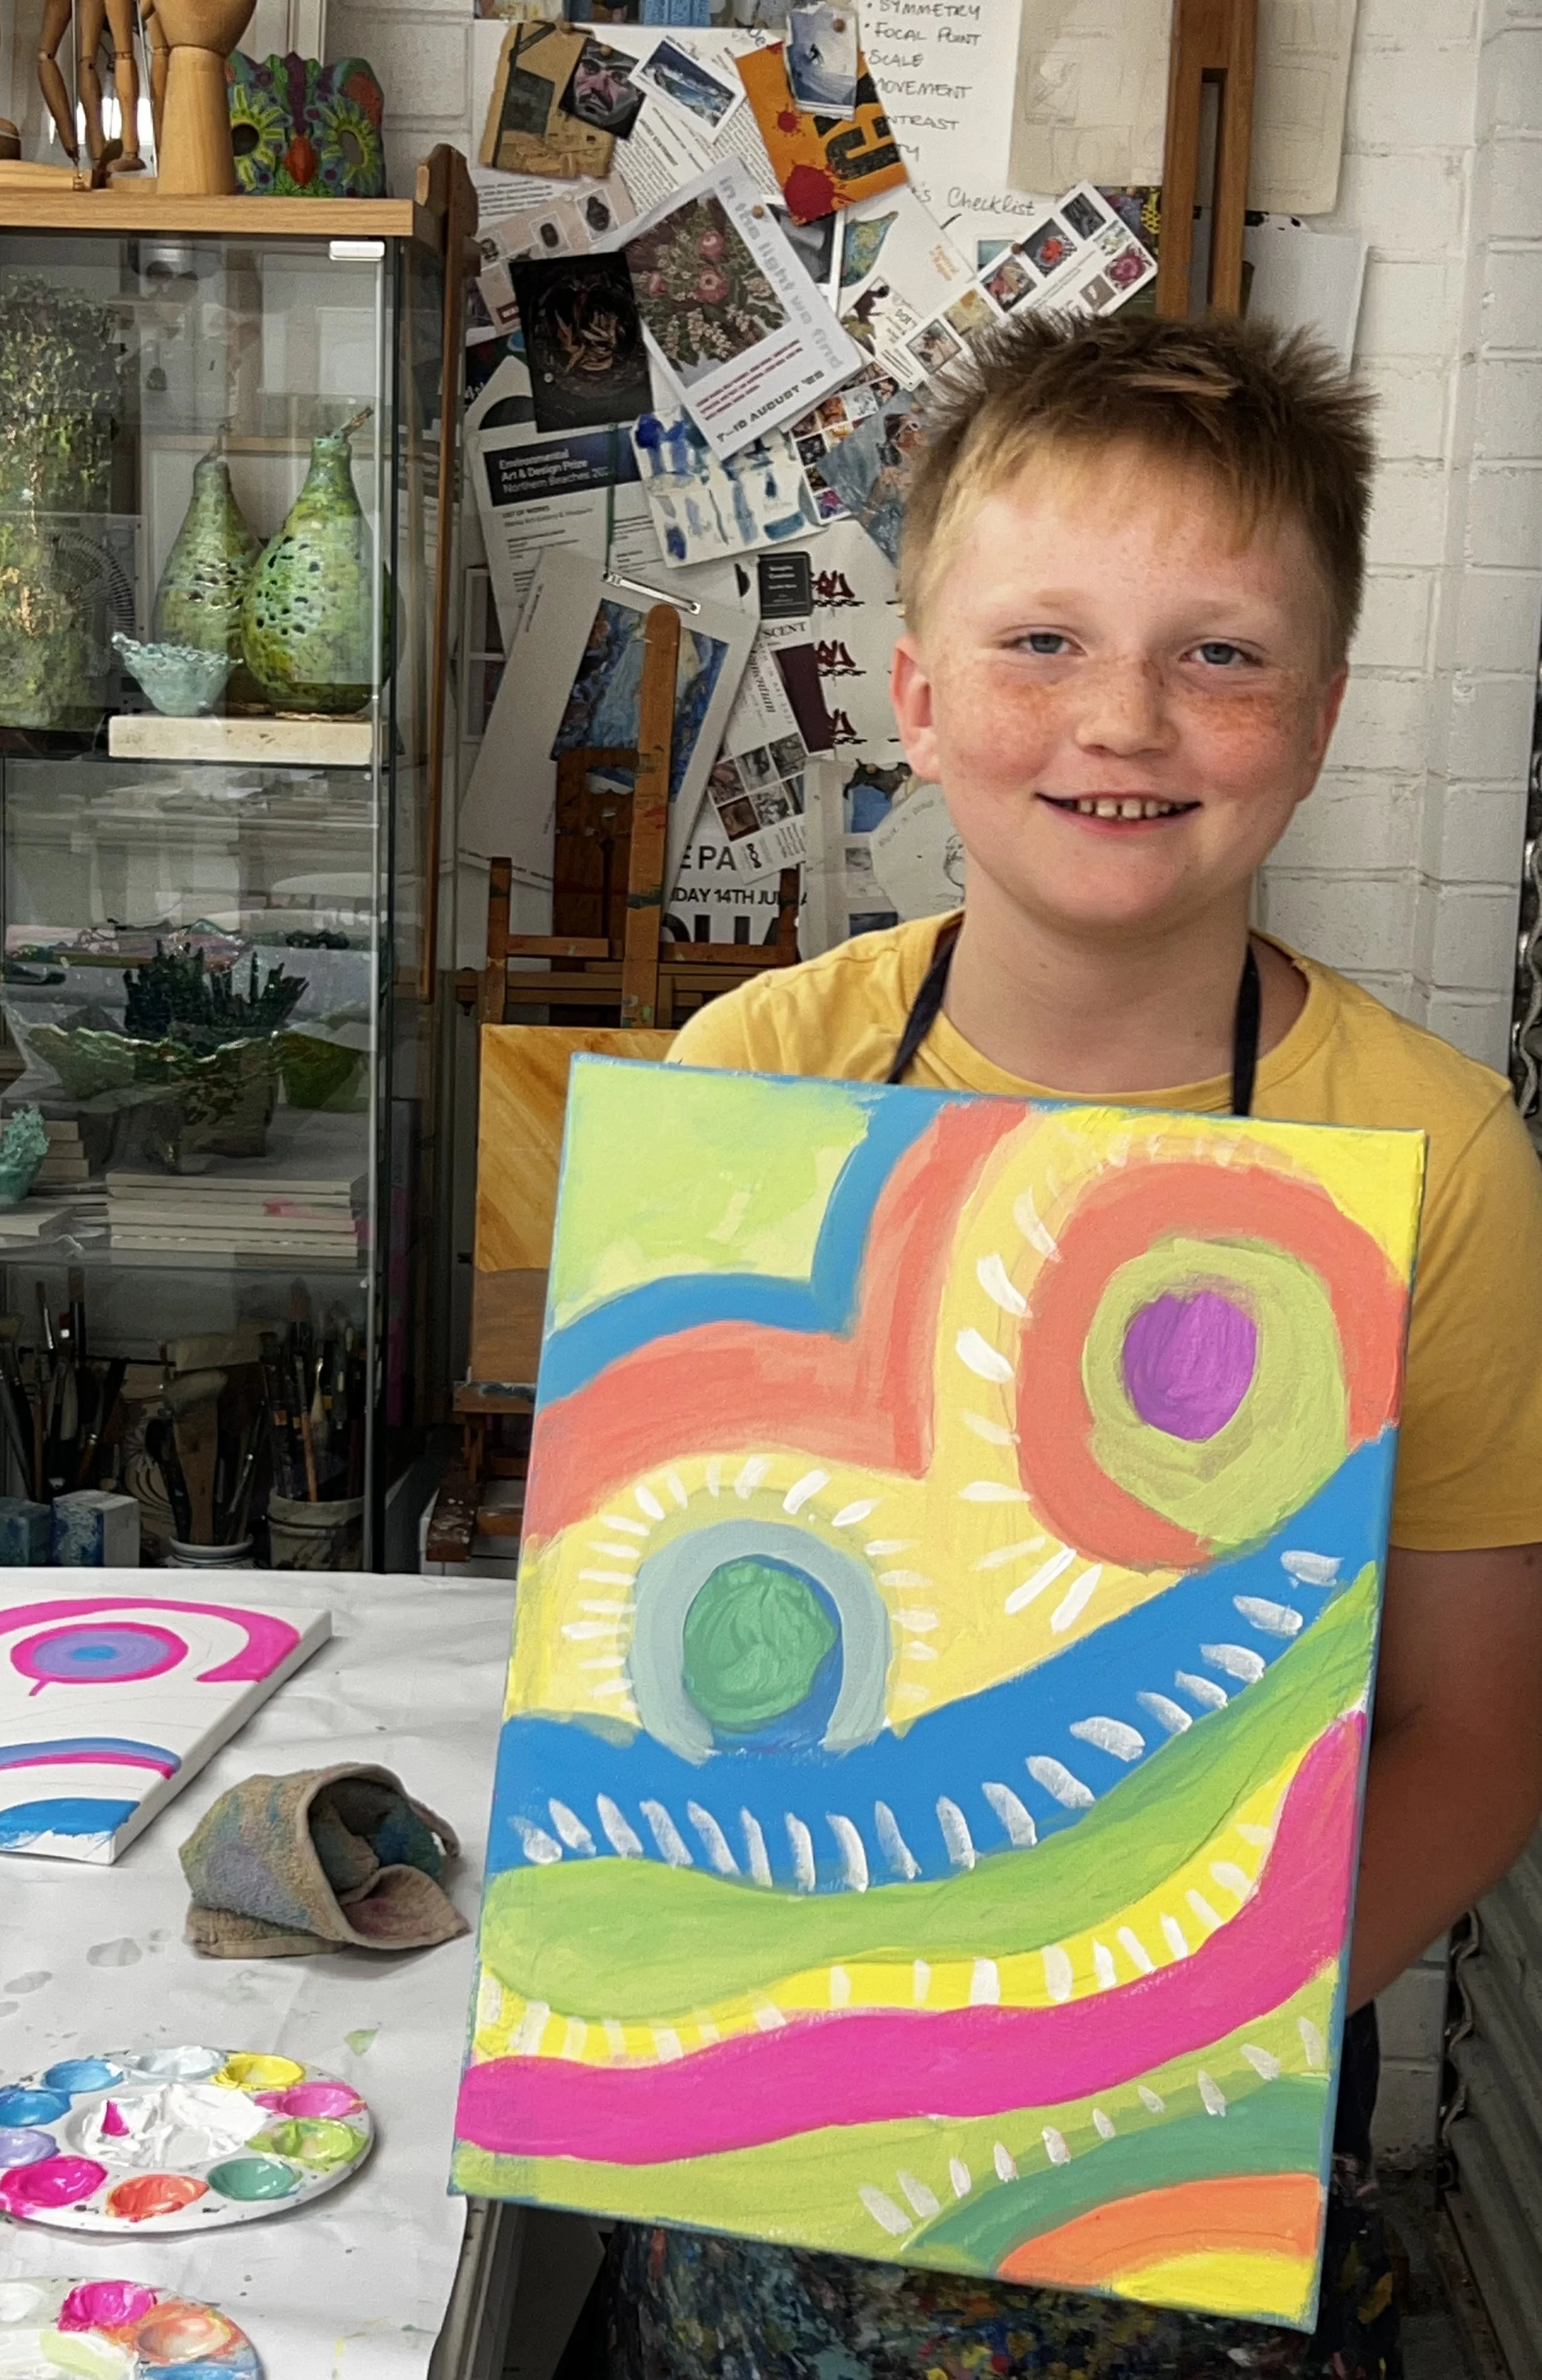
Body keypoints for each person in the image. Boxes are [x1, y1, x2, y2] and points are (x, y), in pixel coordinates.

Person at [595, 311, 1542, 2377]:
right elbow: (656, 1620)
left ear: (1314, 717)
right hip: (775, 2120)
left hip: (1192, 2128)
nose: (1121, 716)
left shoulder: (1433, 1152)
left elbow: (1478, 1728)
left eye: (1216, 652)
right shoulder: (760, 1075)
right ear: (918, 700)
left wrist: (1143, 2049)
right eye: (1039, 642)